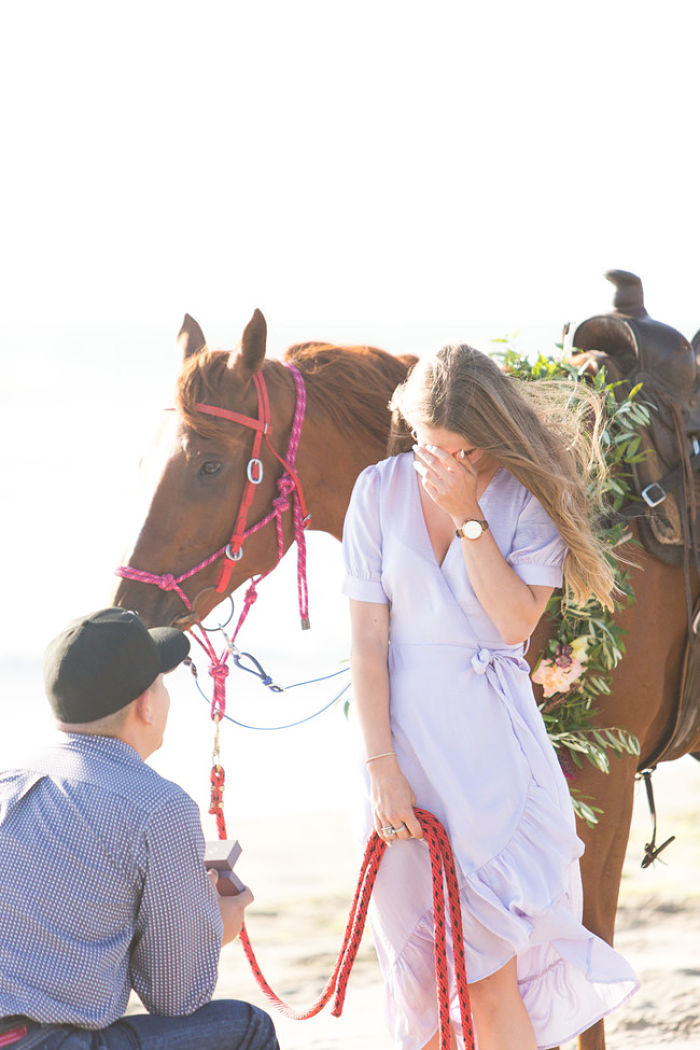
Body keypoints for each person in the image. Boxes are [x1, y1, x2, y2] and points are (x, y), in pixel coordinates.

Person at [341, 345, 638, 1050]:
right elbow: (365, 642)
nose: (449, 465)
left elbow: (513, 622)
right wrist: (380, 767)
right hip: (401, 750)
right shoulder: (376, 491)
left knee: (484, 972)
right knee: (421, 978)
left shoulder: (525, 497)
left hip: (489, 758)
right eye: (431, 448)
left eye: (467, 450)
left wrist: (469, 516)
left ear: (494, 435)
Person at [0, 607, 279, 1050]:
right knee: (248, 1028)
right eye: (162, 683)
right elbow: (177, 998)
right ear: (145, 705)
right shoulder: (157, 806)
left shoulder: (8, 780)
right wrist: (217, 928)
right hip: (41, 1043)